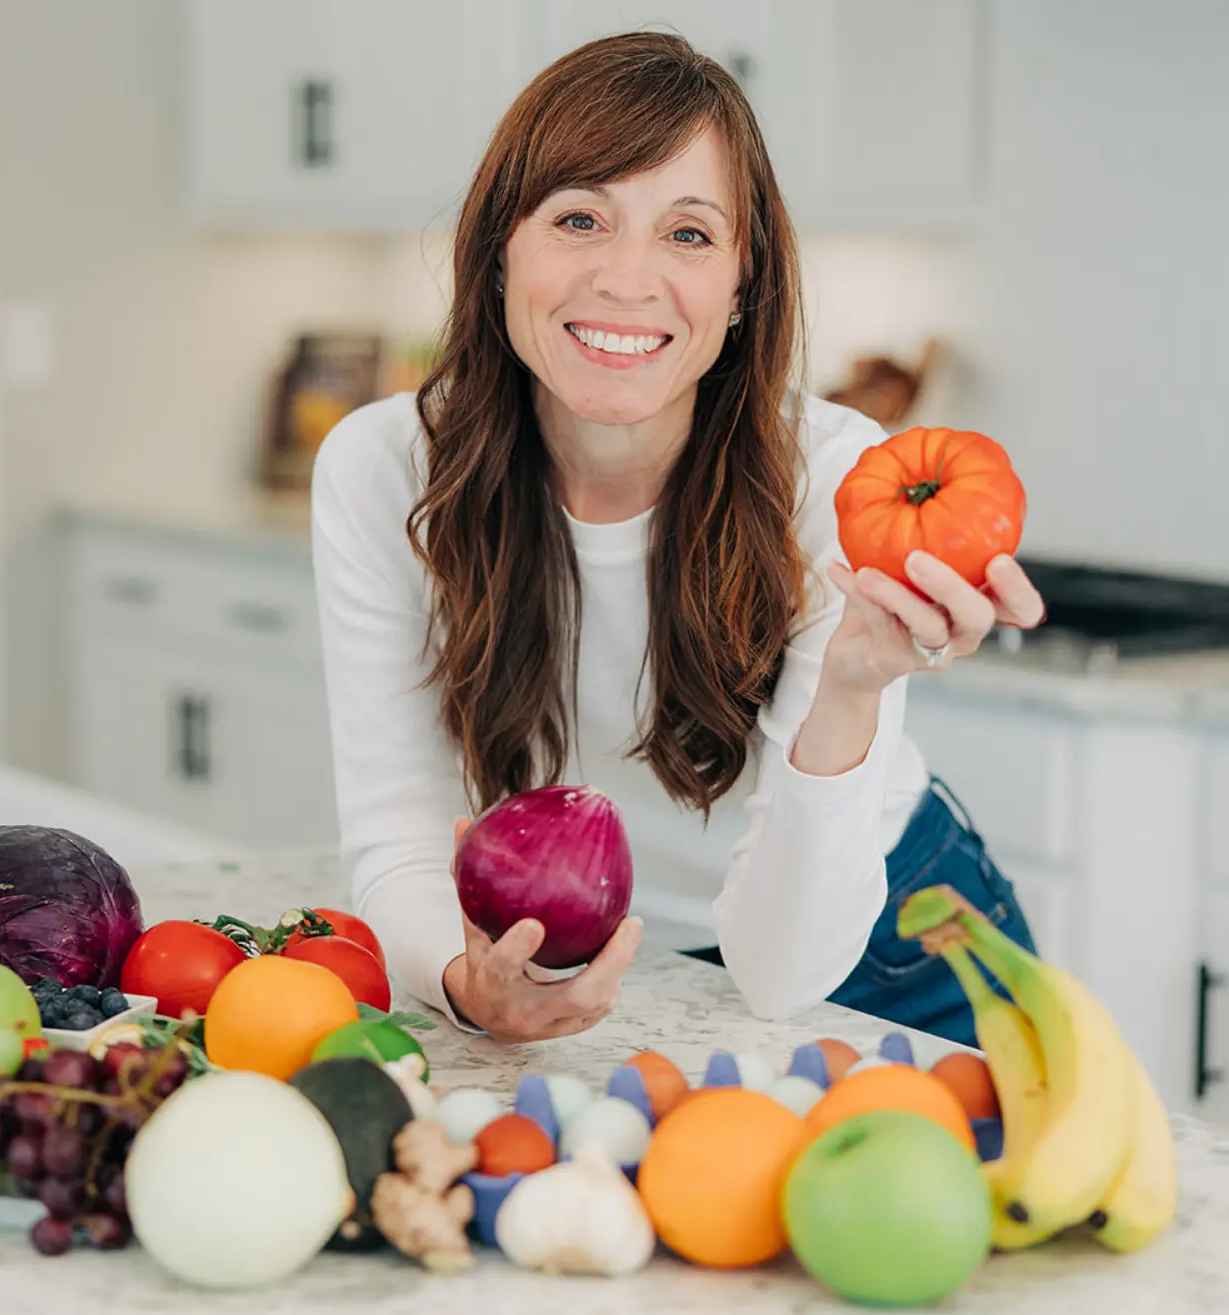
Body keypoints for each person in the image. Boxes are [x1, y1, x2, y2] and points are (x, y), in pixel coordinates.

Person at [309, 31, 1044, 1048]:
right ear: (496, 253)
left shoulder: (833, 478)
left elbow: (781, 972)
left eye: (687, 235)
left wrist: (851, 685)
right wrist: (465, 983)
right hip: (580, 959)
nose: (625, 279)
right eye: (578, 218)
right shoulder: (383, 469)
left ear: (742, 287)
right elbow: (400, 823)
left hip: (888, 950)